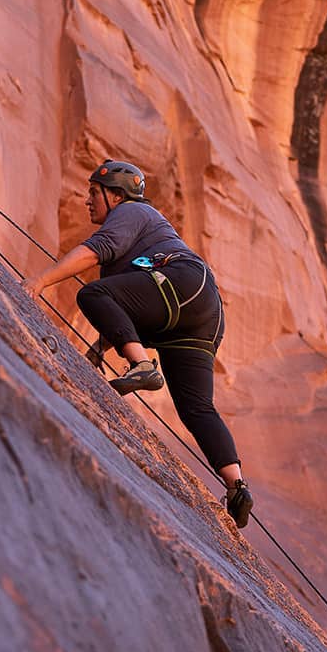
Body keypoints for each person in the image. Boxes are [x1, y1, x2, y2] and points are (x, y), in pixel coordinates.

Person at [24, 159, 253, 529]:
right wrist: (101, 346)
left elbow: (94, 252)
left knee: (92, 294)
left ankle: (143, 366)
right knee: (196, 408)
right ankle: (237, 486)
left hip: (180, 282)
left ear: (116, 195)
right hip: (200, 311)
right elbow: (132, 307)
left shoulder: (131, 212)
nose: (87, 201)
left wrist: (38, 283)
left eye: (93, 193)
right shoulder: (141, 224)